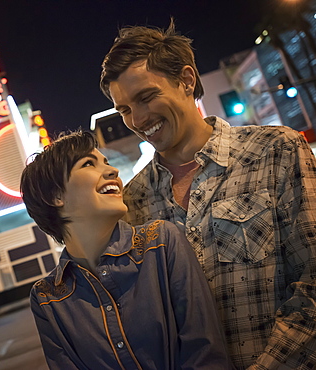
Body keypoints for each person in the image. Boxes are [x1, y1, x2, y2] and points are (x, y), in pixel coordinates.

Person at [100, 21, 316, 370]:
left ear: (186, 80)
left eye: (146, 97)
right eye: (124, 110)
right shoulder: (133, 202)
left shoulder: (276, 150)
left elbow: (312, 283)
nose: (138, 119)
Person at [20, 130, 232, 370]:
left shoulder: (161, 242)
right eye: (88, 164)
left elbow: (205, 351)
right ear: (56, 195)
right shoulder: (48, 297)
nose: (113, 171)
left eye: (107, 162)